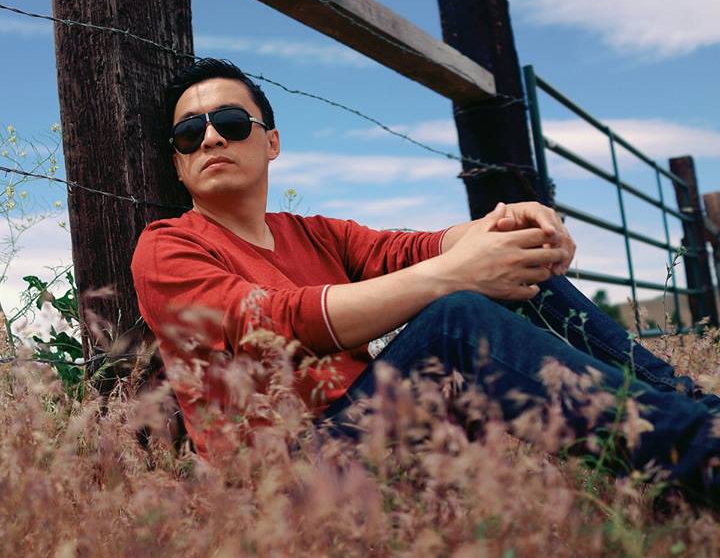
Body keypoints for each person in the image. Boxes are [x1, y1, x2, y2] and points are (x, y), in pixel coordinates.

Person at [130, 58, 720, 504]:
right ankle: (701, 453)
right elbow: (272, 323)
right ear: (179, 163)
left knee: (508, 264)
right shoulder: (167, 247)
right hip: (286, 475)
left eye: (231, 123)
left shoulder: (313, 233)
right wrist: (452, 275)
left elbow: (413, 248)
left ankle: (694, 413)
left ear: (272, 142)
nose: (211, 139)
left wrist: (509, 224)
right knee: (454, 314)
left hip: (380, 432)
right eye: (189, 134)